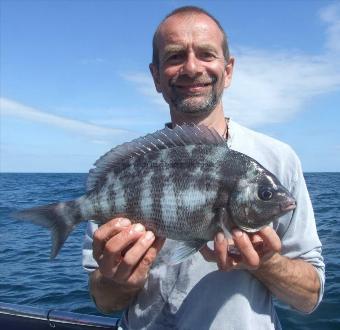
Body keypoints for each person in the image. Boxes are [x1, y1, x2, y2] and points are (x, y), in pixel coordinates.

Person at [82, 6, 325, 330]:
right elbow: (102, 300)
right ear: (156, 76)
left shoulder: (279, 159)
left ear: (228, 70)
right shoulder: (129, 173)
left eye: (206, 54)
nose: (192, 67)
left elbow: (310, 297)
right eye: (175, 56)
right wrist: (119, 281)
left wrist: (267, 263)